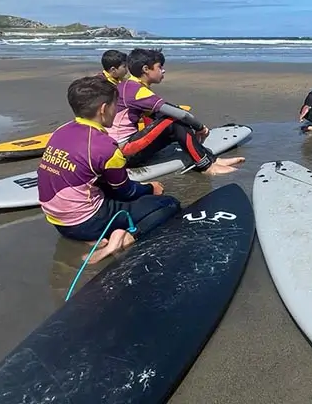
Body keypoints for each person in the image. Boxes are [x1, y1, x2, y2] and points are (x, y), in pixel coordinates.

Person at [37, 76, 181, 264]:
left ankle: (93, 240)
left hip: (57, 221)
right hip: (85, 221)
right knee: (169, 204)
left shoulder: (60, 131)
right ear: (104, 109)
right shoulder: (105, 147)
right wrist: (150, 188)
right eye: (116, 105)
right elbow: (127, 191)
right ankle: (126, 238)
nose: (117, 110)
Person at [106, 47, 244, 175]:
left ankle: (210, 159)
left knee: (172, 119)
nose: (163, 70)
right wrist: (200, 127)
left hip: (119, 148)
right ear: (146, 69)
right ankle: (206, 166)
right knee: (176, 120)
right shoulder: (136, 91)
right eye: (160, 67)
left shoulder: (127, 86)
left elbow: (157, 114)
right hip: (124, 153)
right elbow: (181, 115)